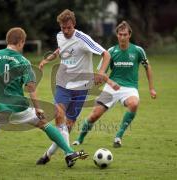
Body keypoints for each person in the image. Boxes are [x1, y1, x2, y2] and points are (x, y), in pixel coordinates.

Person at [0, 27, 89, 171]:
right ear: (21, 42)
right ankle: (69, 152)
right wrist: (38, 107)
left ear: (8, 40)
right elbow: (31, 88)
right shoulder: (24, 62)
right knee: (44, 124)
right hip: (19, 108)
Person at [36, 9, 119, 165]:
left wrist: (101, 72)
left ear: (74, 24)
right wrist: (48, 59)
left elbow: (106, 54)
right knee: (59, 117)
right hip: (63, 84)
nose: (66, 31)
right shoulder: (59, 36)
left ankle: (47, 155)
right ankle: (70, 154)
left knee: (67, 127)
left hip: (81, 88)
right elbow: (61, 49)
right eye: (63, 28)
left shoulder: (83, 39)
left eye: (69, 27)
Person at [73, 21, 157, 148]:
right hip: (111, 87)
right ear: (117, 35)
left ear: (129, 35)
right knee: (94, 115)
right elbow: (101, 73)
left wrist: (152, 88)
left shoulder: (138, 51)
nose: (122, 37)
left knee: (134, 103)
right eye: (120, 34)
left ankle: (118, 137)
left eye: (125, 34)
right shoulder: (110, 51)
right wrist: (102, 80)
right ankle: (79, 139)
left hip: (129, 88)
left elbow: (147, 67)